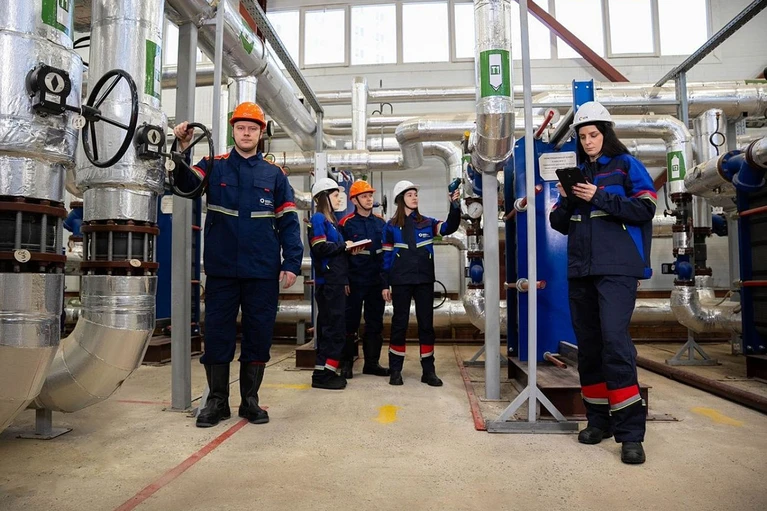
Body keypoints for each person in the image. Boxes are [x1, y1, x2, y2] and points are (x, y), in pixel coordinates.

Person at [172, 102, 303, 427]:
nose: (246, 133)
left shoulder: (274, 175)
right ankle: (217, 402)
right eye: (241, 128)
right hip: (222, 270)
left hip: (262, 271)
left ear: (261, 134)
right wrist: (182, 150)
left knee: (258, 335)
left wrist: (292, 262)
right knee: (217, 335)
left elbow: (289, 221)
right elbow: (185, 187)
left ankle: (250, 401)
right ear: (233, 131)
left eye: (252, 128)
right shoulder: (213, 165)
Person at [549, 101, 656, 464]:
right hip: (582, 269)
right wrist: (566, 200)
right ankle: (598, 421)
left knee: (614, 343)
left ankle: (630, 435)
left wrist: (599, 196)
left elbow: (645, 208)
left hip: (618, 268)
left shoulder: (626, 165)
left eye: (593, 135)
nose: (588, 141)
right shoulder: (577, 173)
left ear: (606, 134)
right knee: (590, 348)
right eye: (582, 136)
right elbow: (559, 224)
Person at [381, 180, 461, 387]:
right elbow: (386, 258)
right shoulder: (390, 227)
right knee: (399, 325)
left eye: (415, 194)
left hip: (424, 280)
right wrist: (385, 284)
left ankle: (428, 371)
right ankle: (395, 370)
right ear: (401, 199)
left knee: (426, 325)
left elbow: (449, 227)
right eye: (410, 195)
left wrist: (454, 206)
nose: (415, 197)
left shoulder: (427, 223)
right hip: (400, 281)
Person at [308, 178, 363, 390]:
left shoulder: (331, 223)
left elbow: (334, 250)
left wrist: (348, 249)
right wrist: (343, 246)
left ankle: (325, 372)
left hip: (336, 282)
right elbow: (319, 247)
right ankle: (323, 376)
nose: (339, 198)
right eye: (335, 195)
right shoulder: (319, 219)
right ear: (324, 197)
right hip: (329, 284)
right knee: (333, 329)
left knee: (333, 329)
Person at [337, 180, 390, 379]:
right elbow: (340, 256)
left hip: (376, 281)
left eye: (370, 195)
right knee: (349, 323)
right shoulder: (346, 224)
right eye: (364, 196)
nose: (369, 199)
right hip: (355, 281)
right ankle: (346, 364)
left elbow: (386, 254)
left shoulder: (381, 223)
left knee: (375, 323)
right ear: (354, 200)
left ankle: (372, 364)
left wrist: (385, 283)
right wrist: (344, 280)